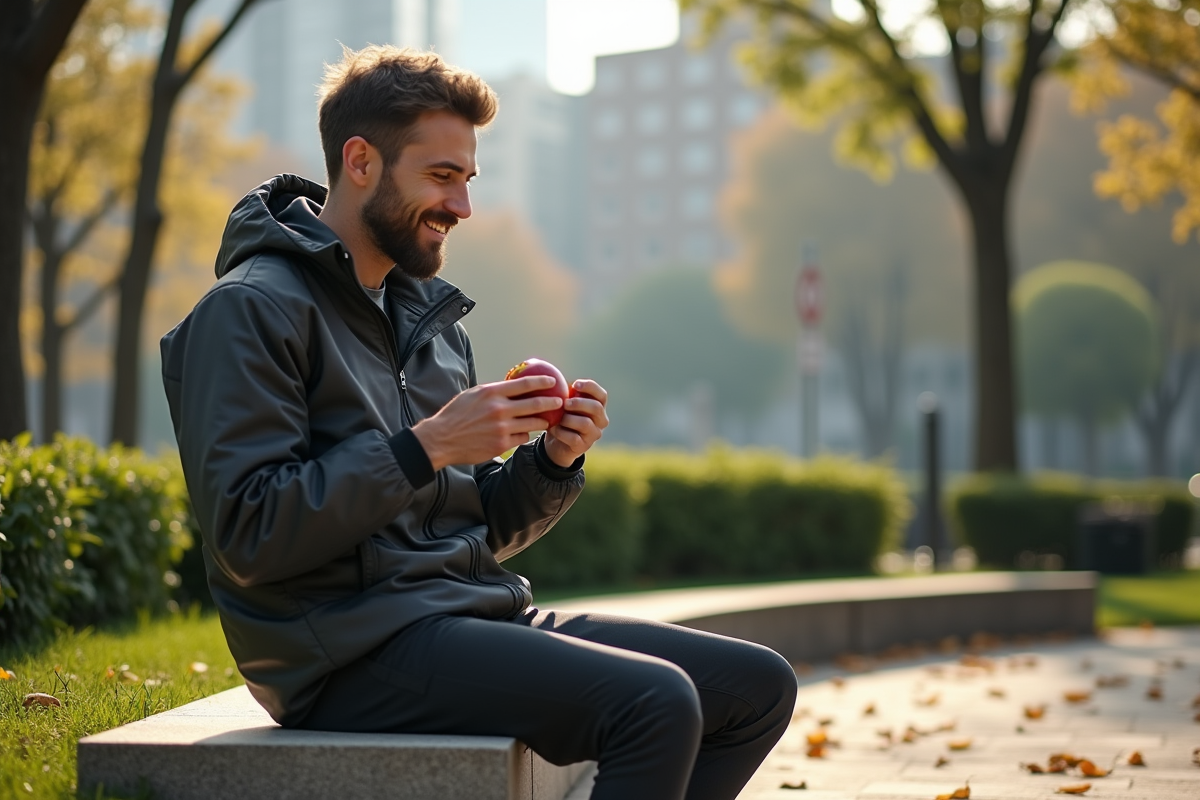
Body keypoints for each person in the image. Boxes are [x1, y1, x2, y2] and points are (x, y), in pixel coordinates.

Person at [160, 44, 796, 800]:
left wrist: (551, 463)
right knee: (654, 704)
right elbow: (248, 534)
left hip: (467, 618)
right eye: (440, 177)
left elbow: (467, 527)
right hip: (345, 651)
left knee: (758, 686)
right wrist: (425, 447)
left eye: (467, 180)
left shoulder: (430, 323)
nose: (462, 206)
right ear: (360, 161)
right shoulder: (250, 310)